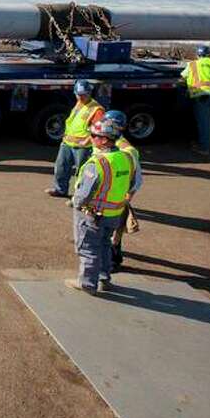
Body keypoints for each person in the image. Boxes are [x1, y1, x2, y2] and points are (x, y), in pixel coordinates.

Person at [66, 119, 136, 294]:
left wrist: (75, 203)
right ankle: (104, 278)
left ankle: (87, 283)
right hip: (115, 213)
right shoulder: (127, 158)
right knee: (105, 245)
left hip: (93, 214)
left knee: (88, 248)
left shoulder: (97, 163)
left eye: (94, 136)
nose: (91, 138)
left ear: (104, 140)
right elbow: (132, 183)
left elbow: (84, 194)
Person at [46, 80, 105, 197]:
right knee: (61, 168)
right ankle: (60, 190)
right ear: (75, 93)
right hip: (68, 143)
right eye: (79, 95)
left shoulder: (96, 109)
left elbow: (99, 130)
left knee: (83, 173)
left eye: (85, 95)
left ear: (90, 93)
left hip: (83, 147)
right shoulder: (79, 104)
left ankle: (80, 197)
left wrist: (87, 141)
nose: (82, 97)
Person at [103, 110, 143, 269]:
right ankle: (112, 258)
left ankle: (112, 261)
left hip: (115, 198)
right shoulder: (106, 143)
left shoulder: (127, 150)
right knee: (109, 230)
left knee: (113, 232)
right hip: (107, 196)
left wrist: (128, 197)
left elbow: (136, 178)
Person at [181, 45, 210, 155]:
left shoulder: (192, 64)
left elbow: (183, 76)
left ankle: (204, 148)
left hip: (203, 96)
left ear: (198, 55)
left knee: (204, 124)